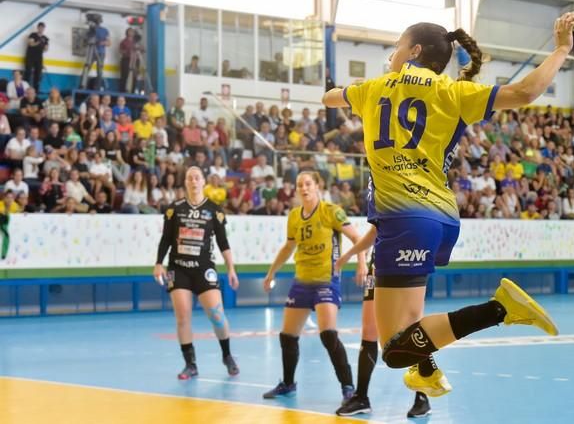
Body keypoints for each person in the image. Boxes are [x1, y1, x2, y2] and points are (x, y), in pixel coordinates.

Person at [322, 15, 571, 397]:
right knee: (411, 323)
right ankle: (426, 370)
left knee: (393, 349)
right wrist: (562, 49)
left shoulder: (372, 89)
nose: (392, 56)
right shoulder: (454, 91)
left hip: (404, 219)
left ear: (414, 51)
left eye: (397, 48)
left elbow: (330, 98)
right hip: (439, 218)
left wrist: (336, 91)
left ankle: (500, 309)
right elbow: (525, 92)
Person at [262, 171, 367, 404]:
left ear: (317, 186)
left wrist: (362, 264)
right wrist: (271, 272)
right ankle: (288, 384)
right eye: (300, 185)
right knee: (287, 336)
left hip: (326, 280)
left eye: (308, 184)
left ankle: (349, 389)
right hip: (301, 281)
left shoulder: (331, 211)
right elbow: (288, 247)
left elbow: (357, 238)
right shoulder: (293, 216)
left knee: (328, 335)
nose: (304, 188)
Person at [154, 166, 240, 380]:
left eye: (197, 178)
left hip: (204, 269)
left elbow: (223, 242)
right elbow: (166, 239)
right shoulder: (174, 209)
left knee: (217, 315)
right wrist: (158, 263)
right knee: (183, 316)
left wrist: (231, 268)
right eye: (190, 178)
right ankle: (190, 364)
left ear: (203, 182)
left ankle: (227, 355)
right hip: (178, 268)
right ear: (186, 183)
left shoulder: (215, 210)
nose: (193, 181)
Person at [335, 232, 430, 418]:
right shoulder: (380, 203)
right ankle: (361, 397)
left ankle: (423, 396)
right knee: (369, 330)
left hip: (408, 258)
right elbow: (374, 231)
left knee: (413, 329)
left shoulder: (417, 204)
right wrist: (351, 255)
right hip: (379, 262)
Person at [25, 22, 49, 91]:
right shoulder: (33, 35)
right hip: (30, 56)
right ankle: (26, 89)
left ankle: (36, 90)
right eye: (40, 27)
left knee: (38, 74)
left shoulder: (45, 38)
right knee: (28, 72)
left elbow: (46, 49)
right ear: (38, 28)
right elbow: (31, 44)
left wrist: (44, 45)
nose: (41, 29)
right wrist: (38, 42)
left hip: (39, 58)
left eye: (43, 28)